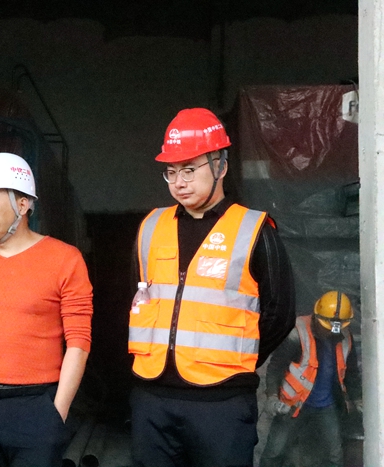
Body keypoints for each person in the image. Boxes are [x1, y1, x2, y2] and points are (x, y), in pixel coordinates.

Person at [128, 108, 296, 467]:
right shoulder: (150, 227)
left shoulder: (254, 230)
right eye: (171, 171)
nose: (179, 182)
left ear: (220, 166)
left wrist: (234, 359)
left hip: (222, 404)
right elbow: (139, 297)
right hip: (152, 400)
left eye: (189, 169)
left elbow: (280, 314)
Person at [0, 152, 94, 467]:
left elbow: (78, 344)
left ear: (22, 205)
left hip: (36, 408)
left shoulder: (65, 259)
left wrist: (58, 412)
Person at [260, 291, 362, 467]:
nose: (330, 332)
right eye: (326, 327)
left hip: (326, 406)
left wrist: (358, 398)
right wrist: (272, 397)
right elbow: (276, 367)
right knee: (274, 452)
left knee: (335, 456)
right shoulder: (298, 332)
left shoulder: (345, 337)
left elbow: (351, 374)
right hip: (293, 404)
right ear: (316, 317)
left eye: (335, 328)